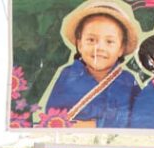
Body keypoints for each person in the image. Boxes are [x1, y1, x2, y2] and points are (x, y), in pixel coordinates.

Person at [43, 0, 141, 128]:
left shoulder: (128, 81)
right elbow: (52, 116)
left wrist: (95, 125)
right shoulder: (67, 76)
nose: (99, 47)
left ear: (121, 49)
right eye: (91, 40)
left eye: (109, 41)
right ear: (79, 44)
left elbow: (139, 117)